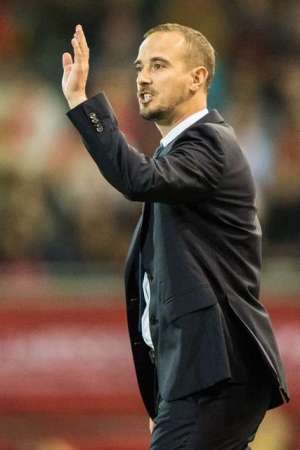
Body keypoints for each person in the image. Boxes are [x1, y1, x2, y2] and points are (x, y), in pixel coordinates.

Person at [62, 23, 289, 450]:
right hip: (196, 379)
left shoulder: (210, 144)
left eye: (159, 65)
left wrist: (82, 103)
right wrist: (164, 398)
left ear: (198, 77)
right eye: (139, 67)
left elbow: (137, 179)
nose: (143, 78)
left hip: (214, 374)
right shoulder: (179, 155)